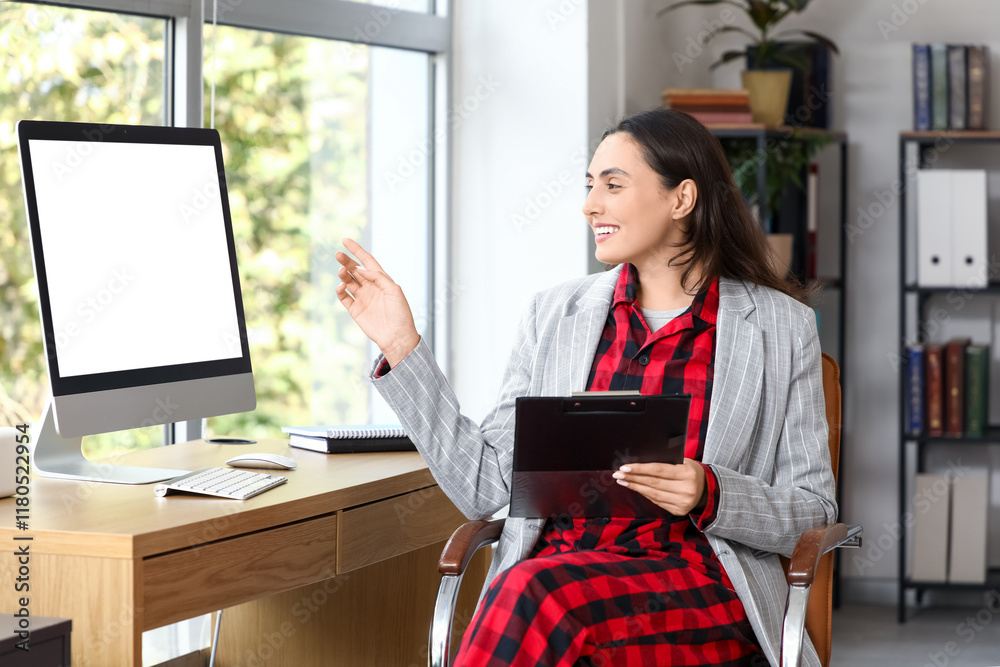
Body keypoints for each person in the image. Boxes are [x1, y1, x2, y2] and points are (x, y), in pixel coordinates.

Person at [334, 107, 837, 667]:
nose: (590, 204)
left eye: (613, 185)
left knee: (537, 594)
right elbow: (484, 486)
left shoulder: (777, 327)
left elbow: (812, 512)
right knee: (539, 592)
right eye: (590, 185)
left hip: (689, 587)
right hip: (553, 578)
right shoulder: (554, 315)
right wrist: (404, 348)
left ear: (681, 199)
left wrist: (710, 491)